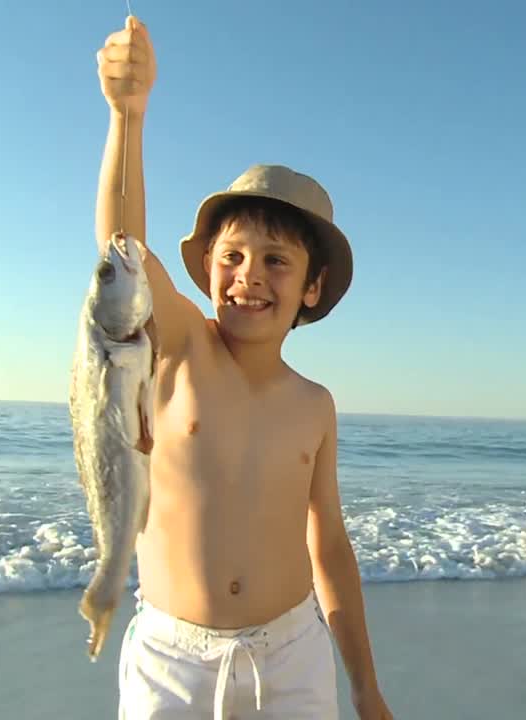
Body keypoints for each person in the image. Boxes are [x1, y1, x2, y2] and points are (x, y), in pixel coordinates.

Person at [93, 15, 393, 720]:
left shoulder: (314, 404)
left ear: (310, 290)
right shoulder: (182, 349)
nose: (247, 276)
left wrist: (367, 686)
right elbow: (120, 245)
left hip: (291, 659)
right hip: (172, 661)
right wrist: (127, 118)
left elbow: (330, 544)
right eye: (231, 256)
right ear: (206, 272)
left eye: (275, 261)